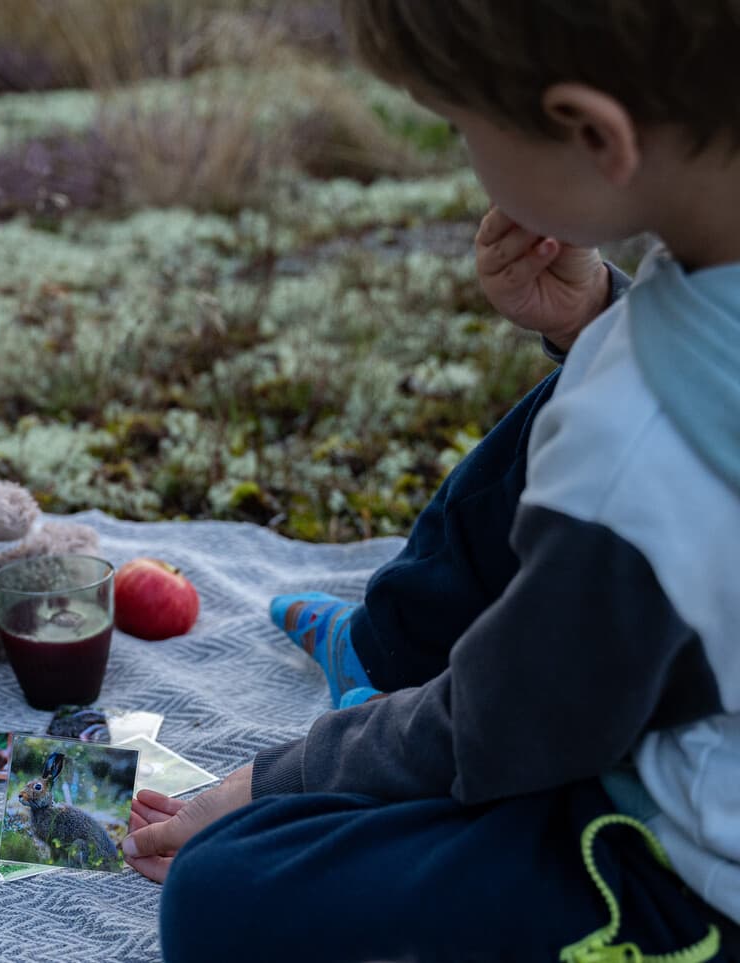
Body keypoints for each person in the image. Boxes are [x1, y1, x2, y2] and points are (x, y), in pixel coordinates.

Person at [121, 3, 740, 961]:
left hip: (684, 871)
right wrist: (596, 323)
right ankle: (381, 652)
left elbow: (499, 726)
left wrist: (269, 781)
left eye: (460, 125)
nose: (463, 156)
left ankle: (382, 698)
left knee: (222, 892)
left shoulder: (634, 445)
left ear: (592, 134)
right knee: (591, 377)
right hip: (643, 686)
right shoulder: (676, 343)